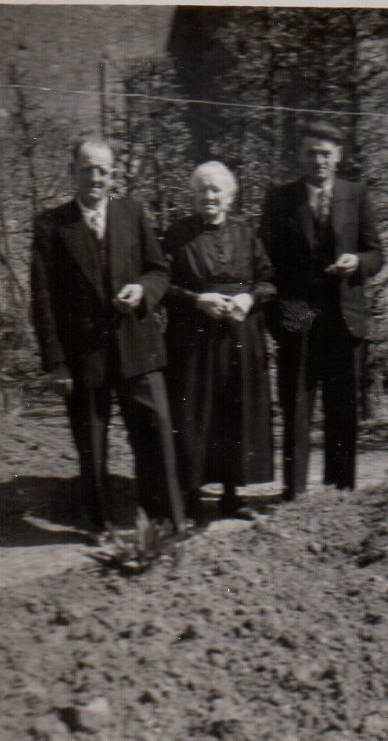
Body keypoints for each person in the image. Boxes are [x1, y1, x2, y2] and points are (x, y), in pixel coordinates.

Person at [31, 134, 184, 537]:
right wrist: (57, 363)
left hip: (138, 347)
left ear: (113, 174)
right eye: (87, 169)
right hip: (85, 356)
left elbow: (159, 271)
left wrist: (142, 291)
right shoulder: (51, 225)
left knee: (155, 435)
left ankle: (166, 523)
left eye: (103, 170)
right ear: (73, 172)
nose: (96, 178)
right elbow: (42, 301)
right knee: (92, 444)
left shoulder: (131, 212)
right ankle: (101, 527)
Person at [260, 120, 383, 499]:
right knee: (297, 402)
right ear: (300, 156)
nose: (319, 161)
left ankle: (339, 489)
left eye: (326, 153)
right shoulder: (280, 199)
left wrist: (357, 262)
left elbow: (376, 253)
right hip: (298, 315)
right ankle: (295, 490)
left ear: (338, 156)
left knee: (342, 406)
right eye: (311, 153)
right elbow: (265, 261)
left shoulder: (356, 194)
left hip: (343, 317)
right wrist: (278, 316)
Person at [163, 161, 276, 521]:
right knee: (195, 412)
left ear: (229, 196)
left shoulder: (246, 232)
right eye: (202, 190)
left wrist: (249, 299)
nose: (209, 196)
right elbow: (161, 285)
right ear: (193, 195)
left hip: (240, 334)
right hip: (193, 337)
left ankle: (232, 495)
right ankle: (192, 496)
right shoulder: (177, 234)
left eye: (216, 190)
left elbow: (269, 280)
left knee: (234, 412)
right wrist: (197, 300)